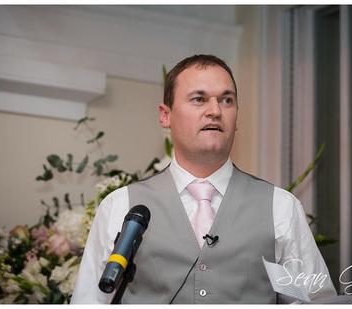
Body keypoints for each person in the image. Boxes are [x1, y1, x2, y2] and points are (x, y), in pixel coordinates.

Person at [71, 54, 337, 304]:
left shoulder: (281, 206)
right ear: (165, 115)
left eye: (226, 100)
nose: (215, 111)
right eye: (199, 99)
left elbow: (316, 301)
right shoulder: (120, 205)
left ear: (236, 118)